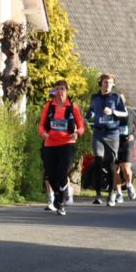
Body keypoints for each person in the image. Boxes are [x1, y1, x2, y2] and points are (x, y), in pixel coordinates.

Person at [38, 80, 85, 216]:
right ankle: (61, 195)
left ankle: (60, 202)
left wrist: (77, 132)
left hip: (67, 143)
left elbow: (81, 126)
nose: (60, 92)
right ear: (54, 91)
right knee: (51, 175)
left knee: (62, 172)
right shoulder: (49, 106)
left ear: (67, 91)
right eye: (57, 89)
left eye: (62, 89)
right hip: (50, 144)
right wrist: (43, 133)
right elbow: (41, 125)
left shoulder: (72, 107)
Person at [84, 74, 127, 206]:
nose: (107, 85)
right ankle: (98, 195)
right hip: (98, 133)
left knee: (111, 164)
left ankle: (111, 194)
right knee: (97, 161)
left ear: (113, 85)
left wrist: (113, 112)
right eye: (105, 82)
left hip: (112, 134)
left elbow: (124, 113)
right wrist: (86, 118)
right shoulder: (95, 97)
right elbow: (91, 111)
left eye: (110, 83)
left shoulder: (116, 97)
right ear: (100, 84)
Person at [113, 105, 136, 203]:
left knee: (126, 168)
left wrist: (133, 135)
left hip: (127, 142)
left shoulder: (131, 112)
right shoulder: (112, 113)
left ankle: (129, 185)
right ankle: (119, 194)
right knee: (115, 170)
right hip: (114, 143)